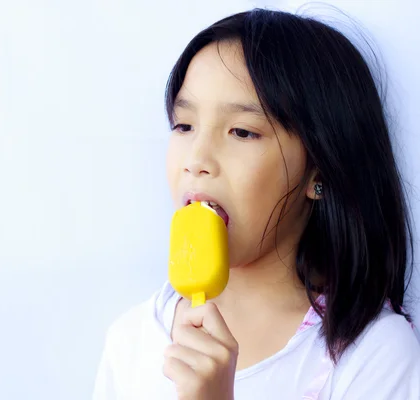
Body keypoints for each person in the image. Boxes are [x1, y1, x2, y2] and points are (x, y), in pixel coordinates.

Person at [92, 8, 420, 400]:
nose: (196, 159)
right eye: (184, 126)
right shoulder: (132, 342)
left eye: (242, 132)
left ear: (319, 174)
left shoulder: (373, 355)